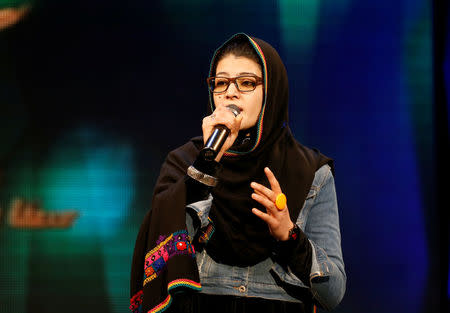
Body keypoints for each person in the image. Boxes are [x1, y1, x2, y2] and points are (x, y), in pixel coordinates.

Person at [130, 33, 346, 313]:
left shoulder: (311, 172)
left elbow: (333, 292)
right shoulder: (184, 162)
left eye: (246, 83)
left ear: (272, 91)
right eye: (221, 83)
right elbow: (165, 257)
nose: (230, 93)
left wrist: (289, 235)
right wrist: (205, 167)